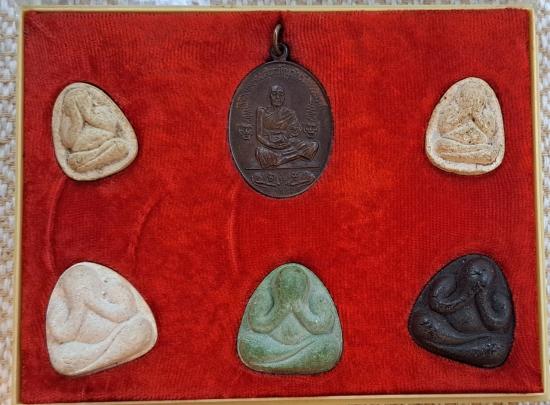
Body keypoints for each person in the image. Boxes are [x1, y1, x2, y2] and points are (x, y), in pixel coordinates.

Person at [255, 85, 319, 168]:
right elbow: (259, 135)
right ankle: (294, 156)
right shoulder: (262, 111)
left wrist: (287, 139)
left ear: (284, 97)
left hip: (288, 144)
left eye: (280, 94)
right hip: (269, 144)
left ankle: (280, 159)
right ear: (270, 96)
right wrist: (271, 144)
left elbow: (295, 131)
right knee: (260, 151)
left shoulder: (290, 113)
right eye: (274, 94)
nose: (277, 97)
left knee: (313, 146)